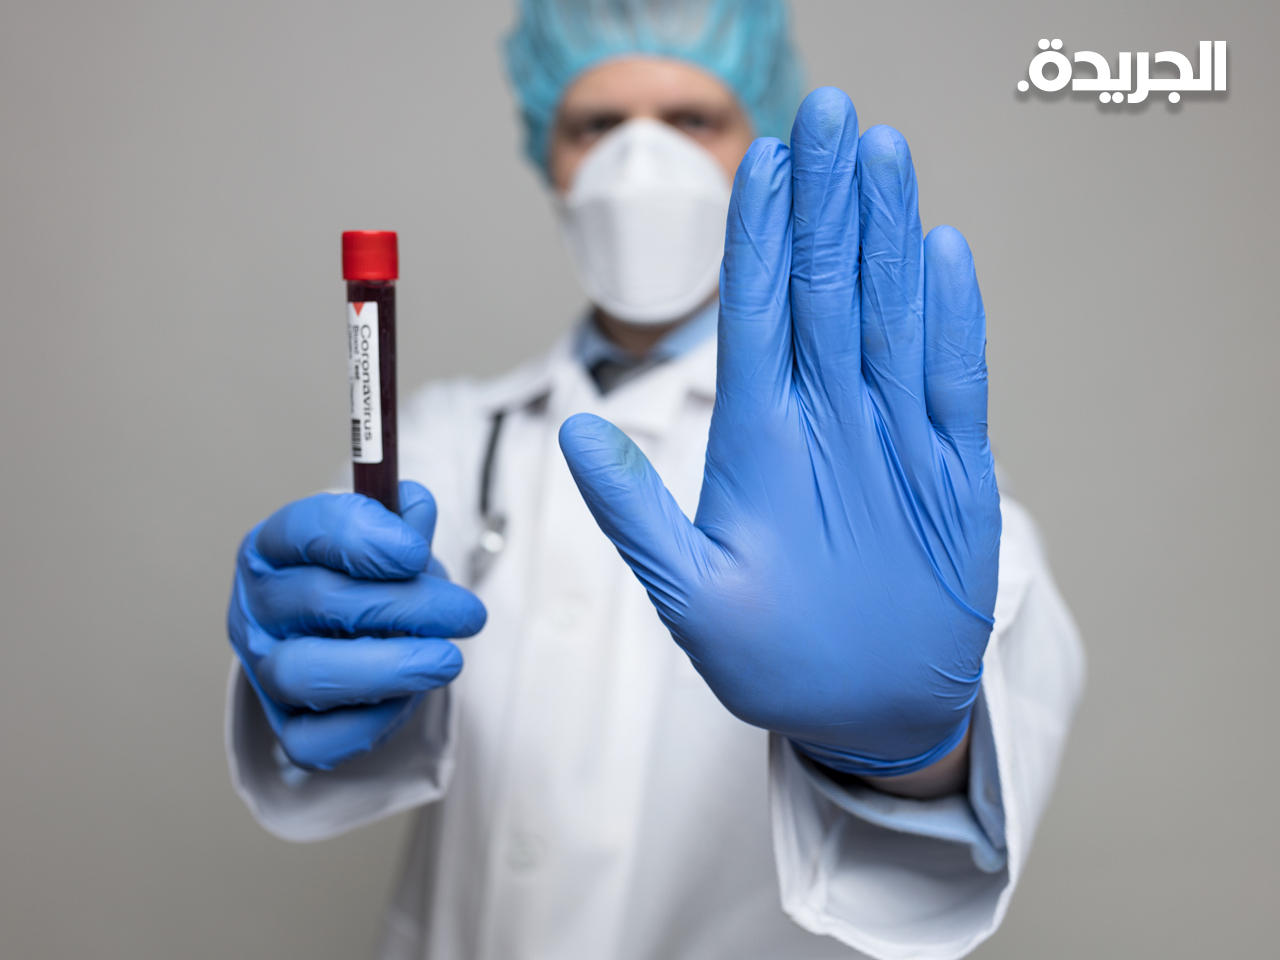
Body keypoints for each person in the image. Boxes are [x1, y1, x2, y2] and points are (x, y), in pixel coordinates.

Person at [224, 2, 1085, 957]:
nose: (639, 162)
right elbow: (336, 722)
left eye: (691, 119)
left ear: (757, 142)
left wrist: (908, 755)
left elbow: (994, 728)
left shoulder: (882, 463)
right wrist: (310, 661)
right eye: (596, 124)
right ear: (548, 154)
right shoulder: (452, 437)